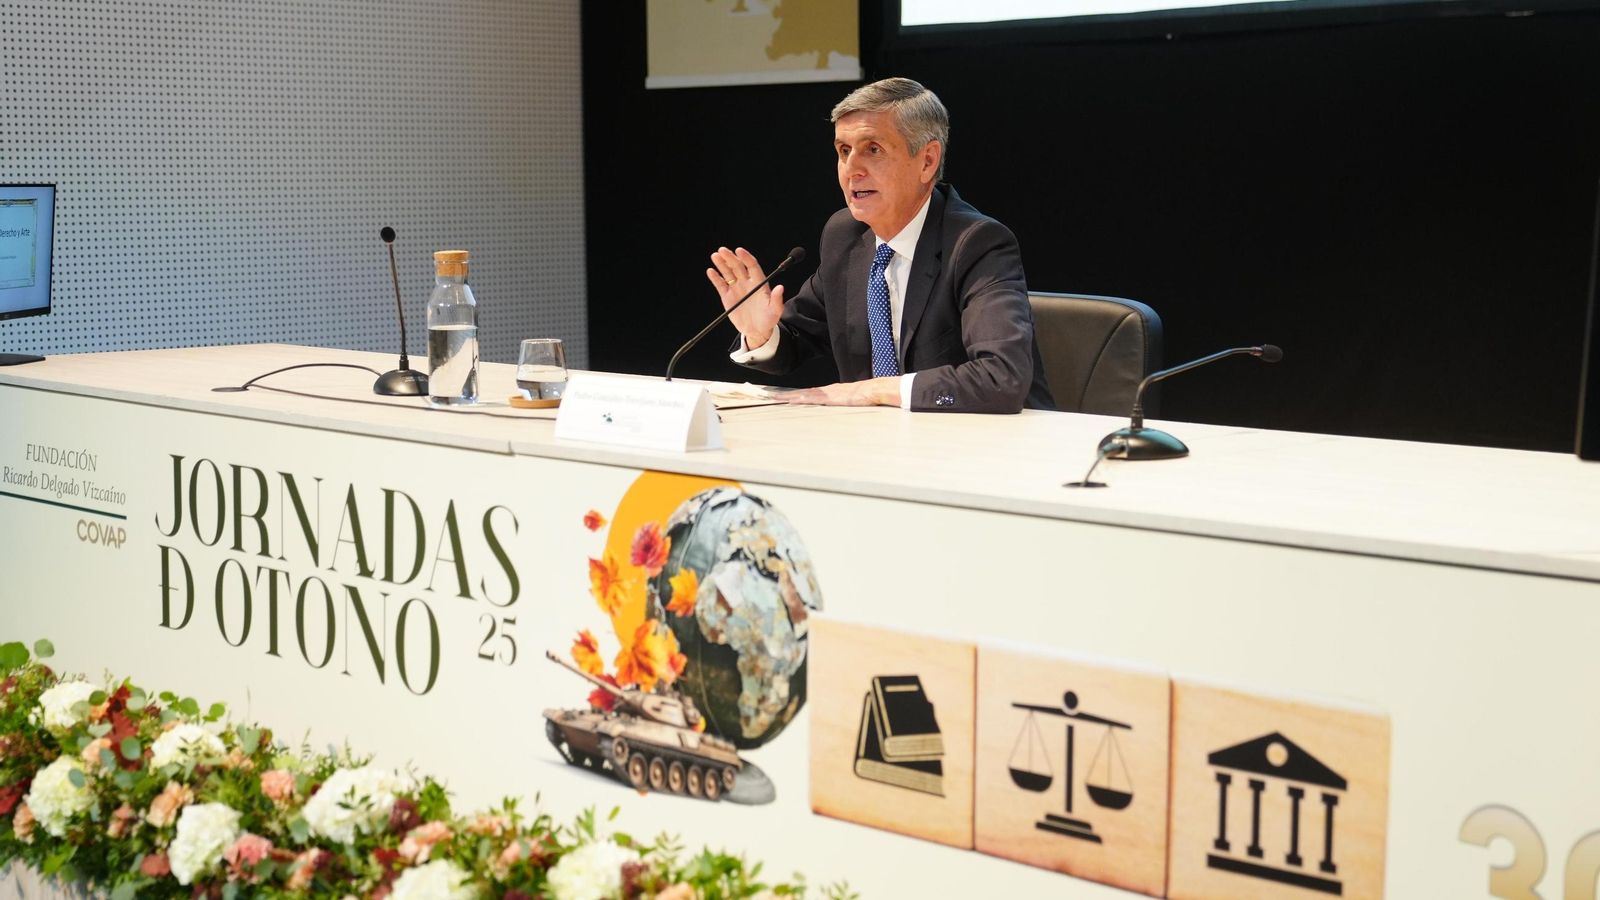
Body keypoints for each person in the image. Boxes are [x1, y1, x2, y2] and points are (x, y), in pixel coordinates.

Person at [707, 77, 1054, 413]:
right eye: (843, 151)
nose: (851, 169)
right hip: (883, 446)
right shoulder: (845, 235)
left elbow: (1001, 378)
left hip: (989, 451)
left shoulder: (976, 243)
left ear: (928, 160)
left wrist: (873, 390)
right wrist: (760, 334)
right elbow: (795, 342)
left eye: (872, 149)